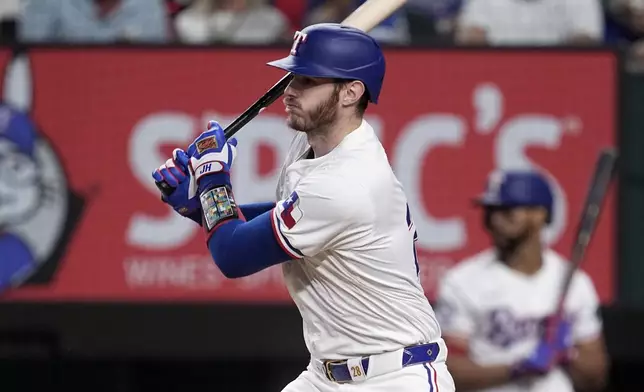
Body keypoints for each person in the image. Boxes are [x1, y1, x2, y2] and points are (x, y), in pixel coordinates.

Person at [151, 23, 456, 392]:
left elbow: (234, 255)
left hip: (393, 376)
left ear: (351, 92)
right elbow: (278, 215)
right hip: (325, 375)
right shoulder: (316, 144)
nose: (290, 91)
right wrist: (199, 203)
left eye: (308, 81)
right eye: (292, 77)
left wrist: (213, 178)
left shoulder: (349, 180)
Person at [434, 170, 608, 392]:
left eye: (507, 211)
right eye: (490, 212)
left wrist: (568, 354)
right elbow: (448, 371)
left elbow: (597, 377)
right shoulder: (462, 281)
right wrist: (516, 368)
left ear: (539, 214)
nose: (496, 220)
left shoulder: (575, 282)